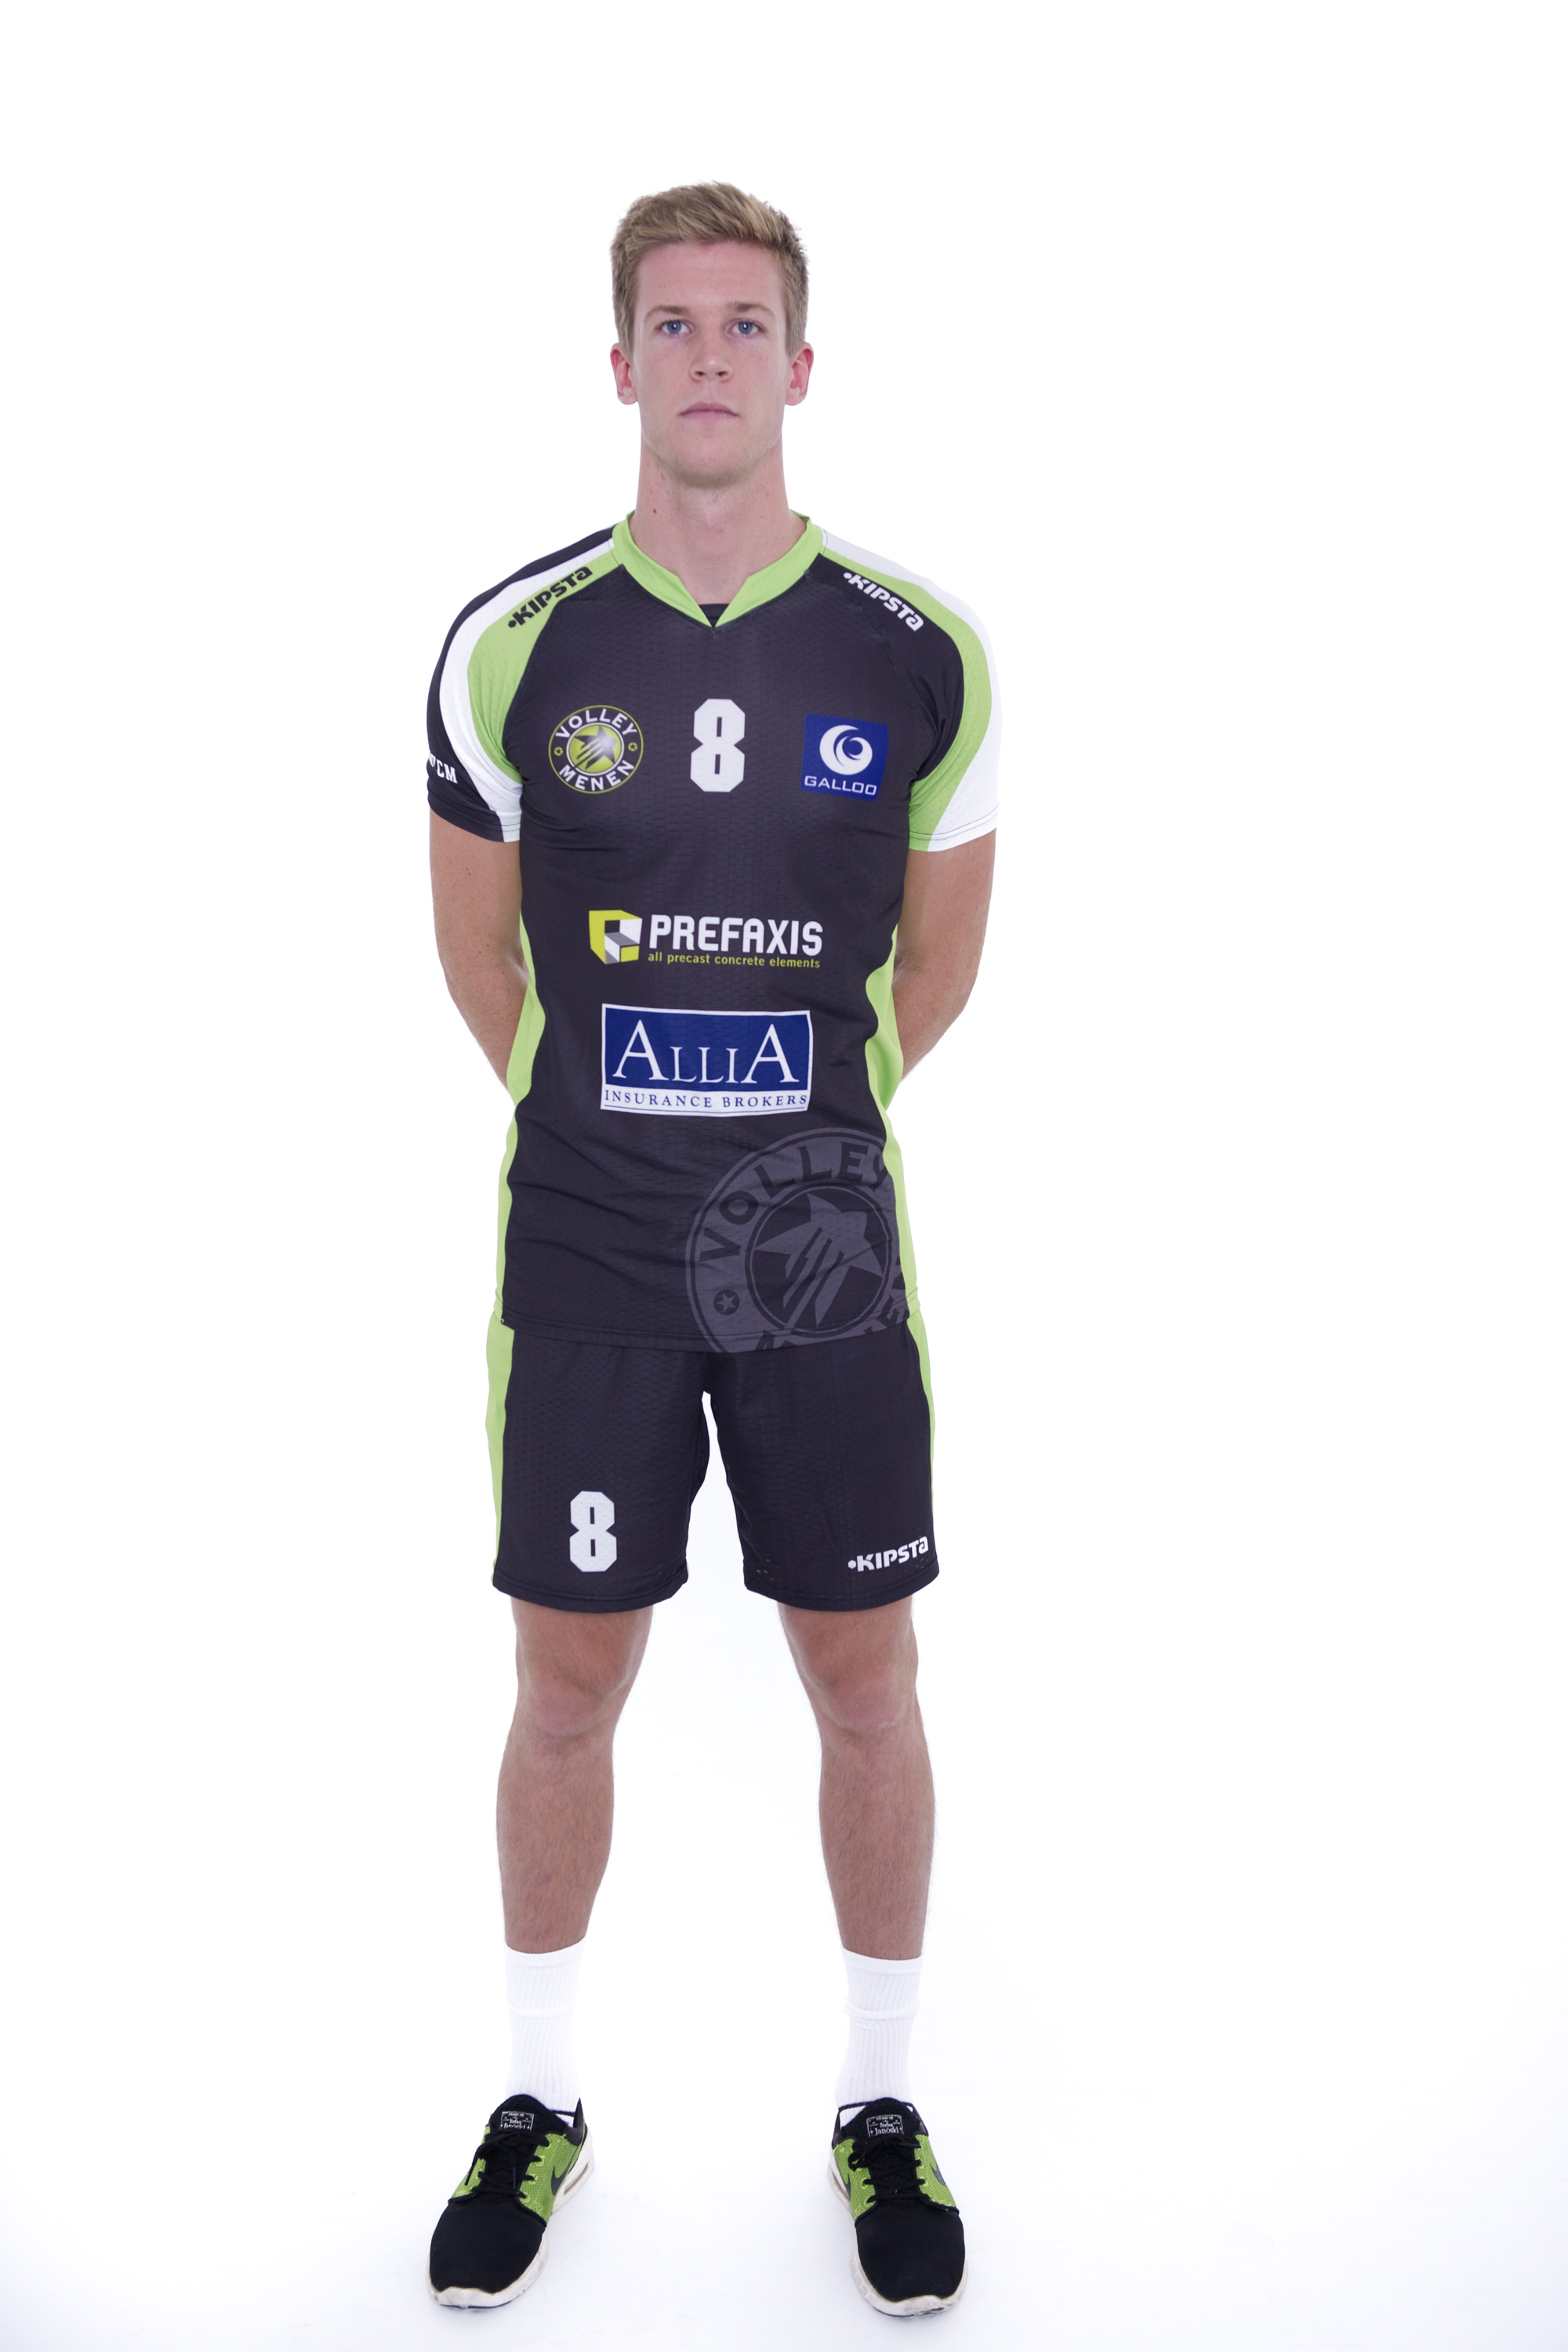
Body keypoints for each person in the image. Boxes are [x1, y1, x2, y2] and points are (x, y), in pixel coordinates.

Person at [422, 181, 999, 2320]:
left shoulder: (920, 651)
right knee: (567, 1681)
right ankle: (538, 2097)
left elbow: (930, 979)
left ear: (802, 361)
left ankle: (880, 2103)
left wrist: (779, 1139)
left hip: (817, 1246)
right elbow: (484, 967)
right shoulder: (514, 643)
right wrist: (632, 1124)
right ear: (620, 362)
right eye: (671, 323)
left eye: (745, 322)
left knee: (866, 1674)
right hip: (585, 1245)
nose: (709, 357)